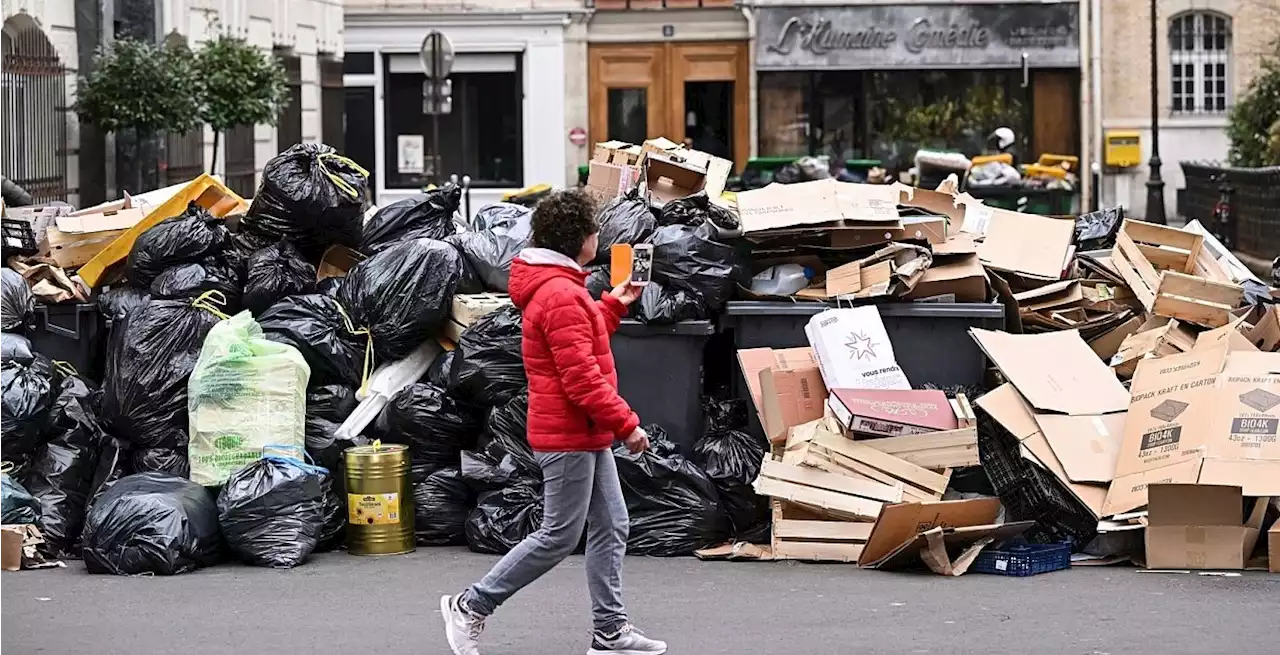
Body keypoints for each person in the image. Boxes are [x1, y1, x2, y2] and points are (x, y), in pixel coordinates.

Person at [440, 189, 667, 655]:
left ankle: (610, 633)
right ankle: (470, 605)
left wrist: (615, 303)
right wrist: (627, 424)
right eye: (594, 230)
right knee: (559, 535)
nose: (599, 236)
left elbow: (580, 340)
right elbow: (581, 378)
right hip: (568, 434)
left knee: (612, 524)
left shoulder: (562, 287)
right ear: (578, 238)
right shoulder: (561, 292)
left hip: (581, 431)